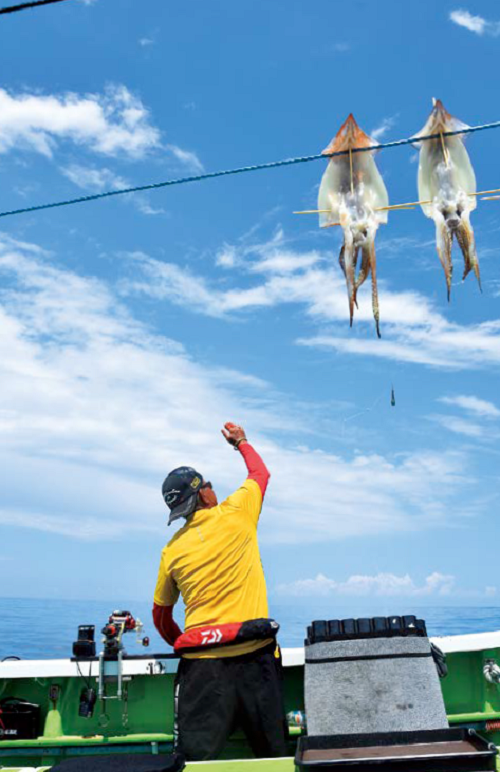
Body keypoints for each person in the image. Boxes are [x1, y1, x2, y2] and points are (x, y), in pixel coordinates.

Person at [152, 422, 287, 761]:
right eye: (209, 484)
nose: (214, 489)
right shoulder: (237, 513)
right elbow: (261, 473)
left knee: (195, 764)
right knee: (273, 759)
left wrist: (199, 641)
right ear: (204, 493)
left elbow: (161, 617)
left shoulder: (172, 550)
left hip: (202, 670)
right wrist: (240, 441)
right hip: (255, 658)